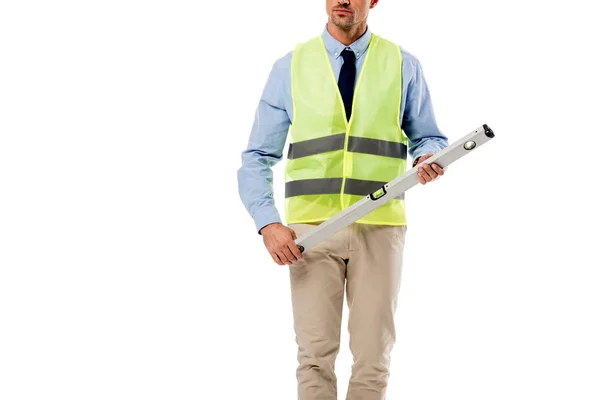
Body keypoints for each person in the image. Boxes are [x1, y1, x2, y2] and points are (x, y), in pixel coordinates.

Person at [237, 1, 449, 398]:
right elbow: (257, 156)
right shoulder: (290, 66)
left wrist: (427, 156)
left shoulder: (403, 64)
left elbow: (428, 136)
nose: (342, 0)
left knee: (373, 357)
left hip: (380, 225)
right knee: (314, 357)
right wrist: (268, 223)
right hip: (310, 234)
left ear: (373, 1)